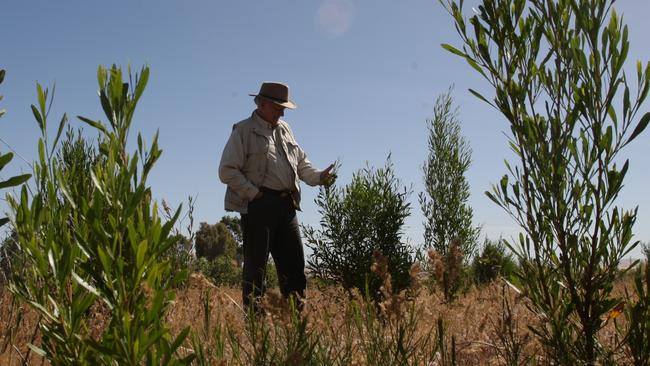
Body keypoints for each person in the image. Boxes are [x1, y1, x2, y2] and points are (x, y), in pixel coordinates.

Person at [218, 81, 335, 312]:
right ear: (261, 103)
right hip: (259, 206)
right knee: (256, 270)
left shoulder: (285, 129)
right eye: (278, 107)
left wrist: (319, 177)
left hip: (286, 205)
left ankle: (295, 326)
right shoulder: (243, 130)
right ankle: (255, 327)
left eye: (284, 108)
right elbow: (226, 170)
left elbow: (301, 164)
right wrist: (254, 194)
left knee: (295, 268)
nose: (282, 112)